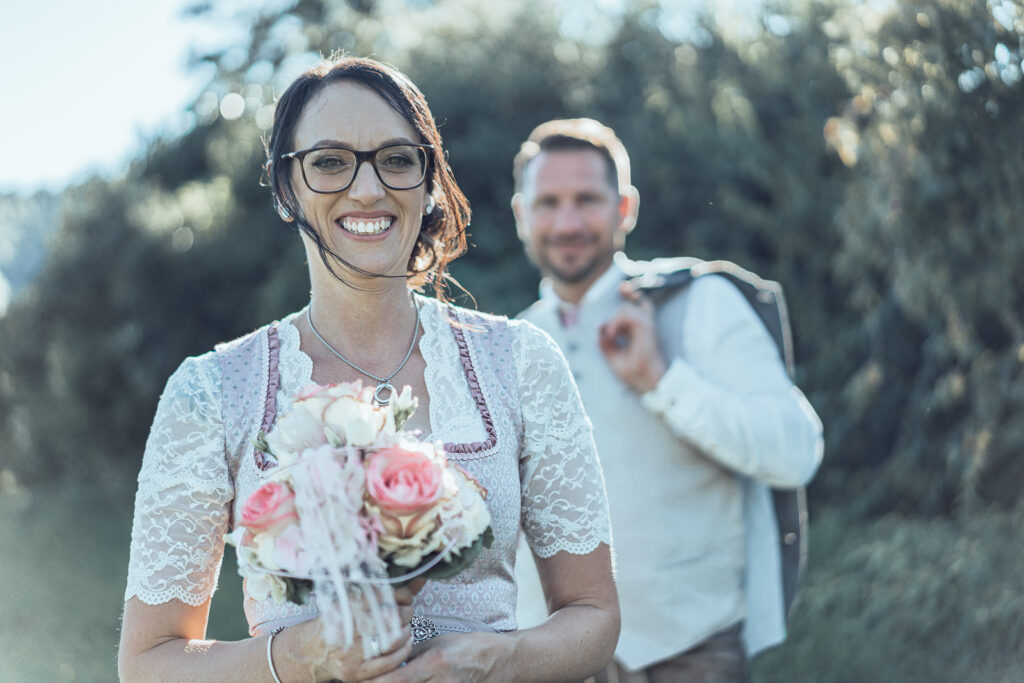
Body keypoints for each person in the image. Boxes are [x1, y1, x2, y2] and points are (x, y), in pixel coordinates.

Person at [119, 59, 619, 683]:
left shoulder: (522, 363)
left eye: (397, 159)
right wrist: (298, 657)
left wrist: (501, 660)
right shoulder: (211, 392)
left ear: (428, 180)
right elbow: (148, 664)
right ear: (285, 188)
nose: (367, 190)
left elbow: (594, 617)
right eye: (329, 161)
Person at [510, 118, 824, 682]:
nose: (568, 222)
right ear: (520, 215)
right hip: (551, 661)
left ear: (625, 208)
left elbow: (796, 451)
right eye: (548, 202)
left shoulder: (703, 302)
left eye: (588, 200)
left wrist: (660, 381)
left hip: (690, 652)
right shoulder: (505, 346)